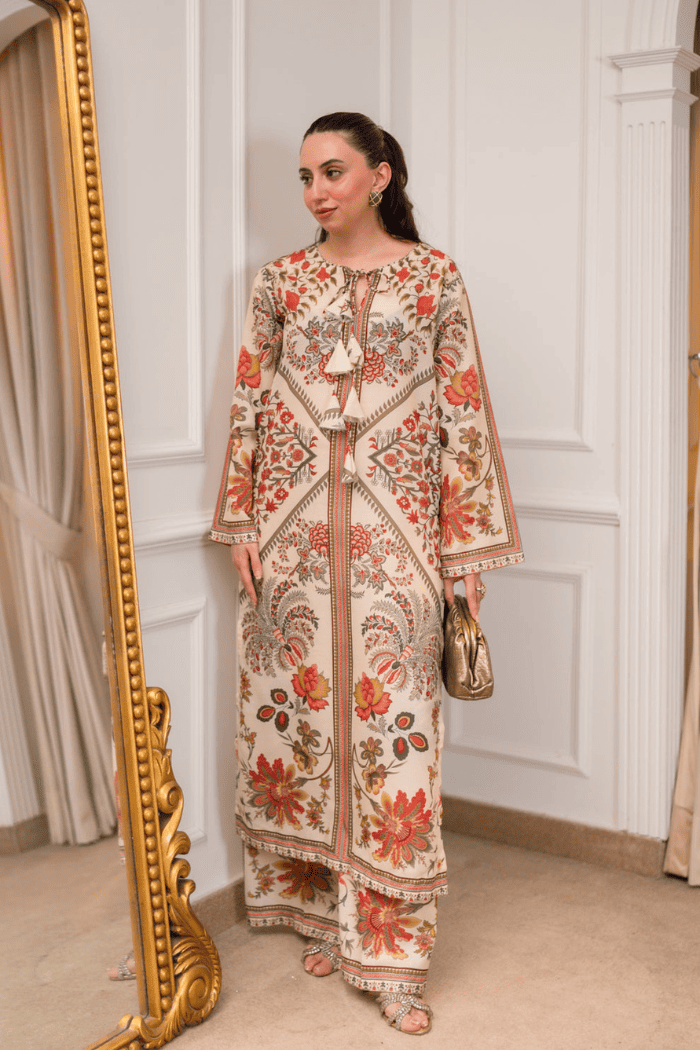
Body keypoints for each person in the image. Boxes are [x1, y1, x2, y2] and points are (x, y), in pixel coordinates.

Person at [210, 112, 523, 1035]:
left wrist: (466, 554)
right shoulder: (281, 282)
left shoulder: (434, 279)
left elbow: (463, 414)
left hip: (401, 546)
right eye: (305, 177)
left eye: (334, 172)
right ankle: (323, 912)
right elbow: (249, 398)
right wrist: (240, 517)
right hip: (293, 541)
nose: (315, 191)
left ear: (380, 175)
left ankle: (394, 956)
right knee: (303, 719)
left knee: (396, 740)